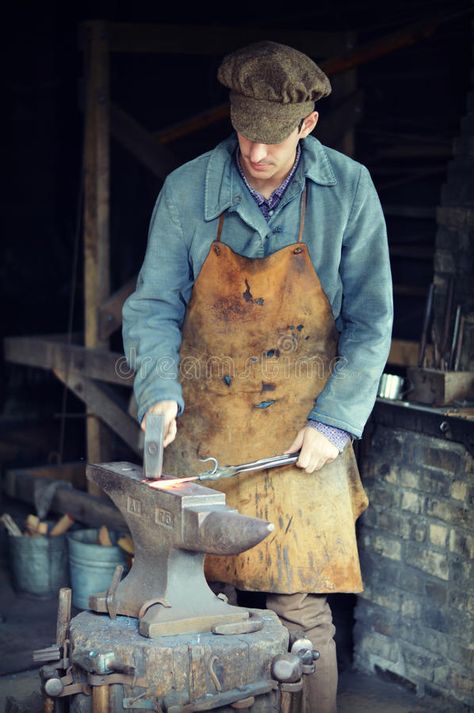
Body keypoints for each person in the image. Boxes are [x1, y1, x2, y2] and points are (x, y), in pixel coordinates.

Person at [123, 40, 393, 713]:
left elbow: (371, 321)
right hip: (207, 425)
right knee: (202, 602)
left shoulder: (350, 191)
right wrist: (158, 391)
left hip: (305, 431)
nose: (256, 151)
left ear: (307, 126)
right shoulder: (188, 189)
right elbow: (153, 305)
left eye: (273, 138)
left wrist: (336, 421)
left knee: (297, 607)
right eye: (245, 132)